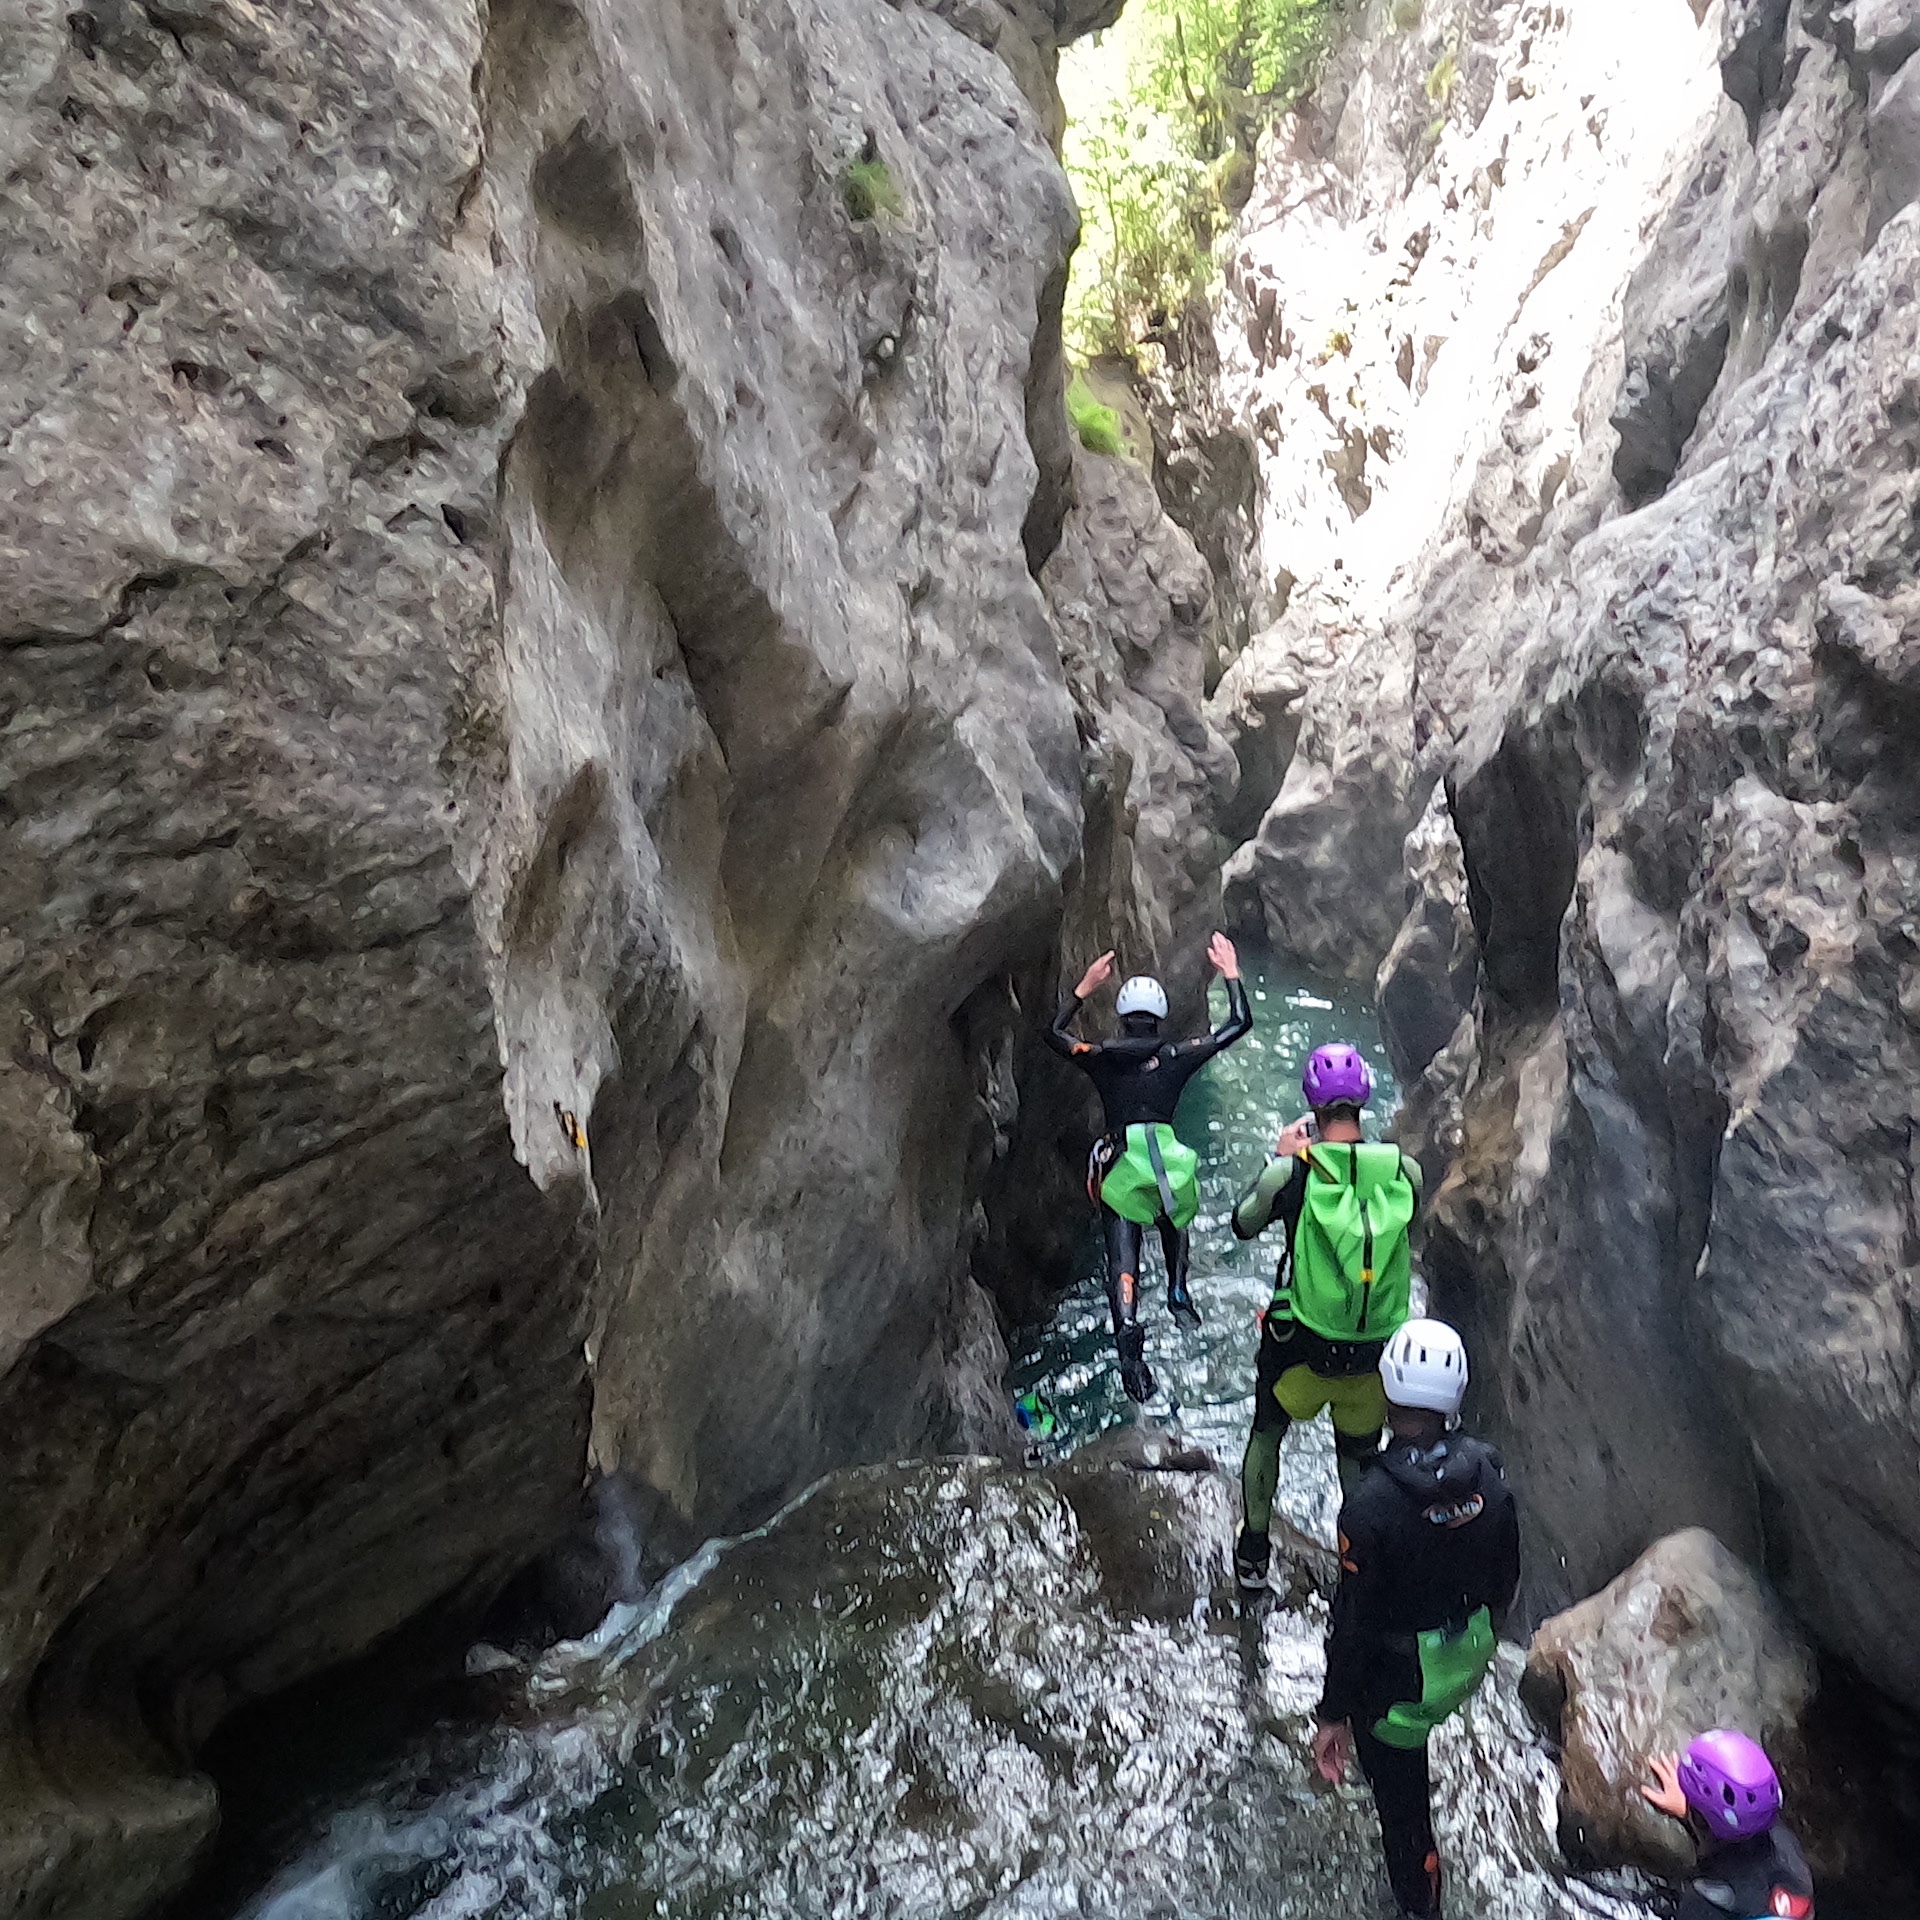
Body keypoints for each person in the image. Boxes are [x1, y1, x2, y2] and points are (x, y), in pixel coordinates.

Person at [1312, 1319, 1520, 1920]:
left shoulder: (1369, 1504)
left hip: (1399, 1688)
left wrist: (1333, 1716)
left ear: (1388, 1390)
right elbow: (1506, 1572)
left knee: (1405, 1816)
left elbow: (1353, 1624)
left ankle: (1419, 1909)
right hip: (1467, 1656)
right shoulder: (1488, 1469)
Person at [1231, 1043, 1422, 1591]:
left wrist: (1279, 1156)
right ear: (1364, 1098)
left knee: (1266, 1436)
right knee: (1357, 1460)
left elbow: (1242, 1223)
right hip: (1372, 1356)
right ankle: (1359, 1567)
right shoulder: (1402, 1172)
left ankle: (1252, 1555)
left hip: (1301, 1350)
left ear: (1311, 1106)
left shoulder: (1293, 1174)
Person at [1045, 932, 1251, 1403]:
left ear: (1122, 1016)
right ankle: (1179, 1290)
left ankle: (1129, 1344)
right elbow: (1239, 1023)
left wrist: (1083, 989)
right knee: (1174, 1215)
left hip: (1122, 1166)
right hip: (1167, 1164)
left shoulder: (1102, 1057)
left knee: (1123, 1258)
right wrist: (1231, 972)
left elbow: (1052, 1036)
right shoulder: (1179, 1056)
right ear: (1161, 1019)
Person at [1640, 1730, 1816, 1919]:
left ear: (1701, 1821)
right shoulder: (1788, 1848)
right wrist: (1692, 1813)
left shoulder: (1707, 1898)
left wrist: (1691, 1815)